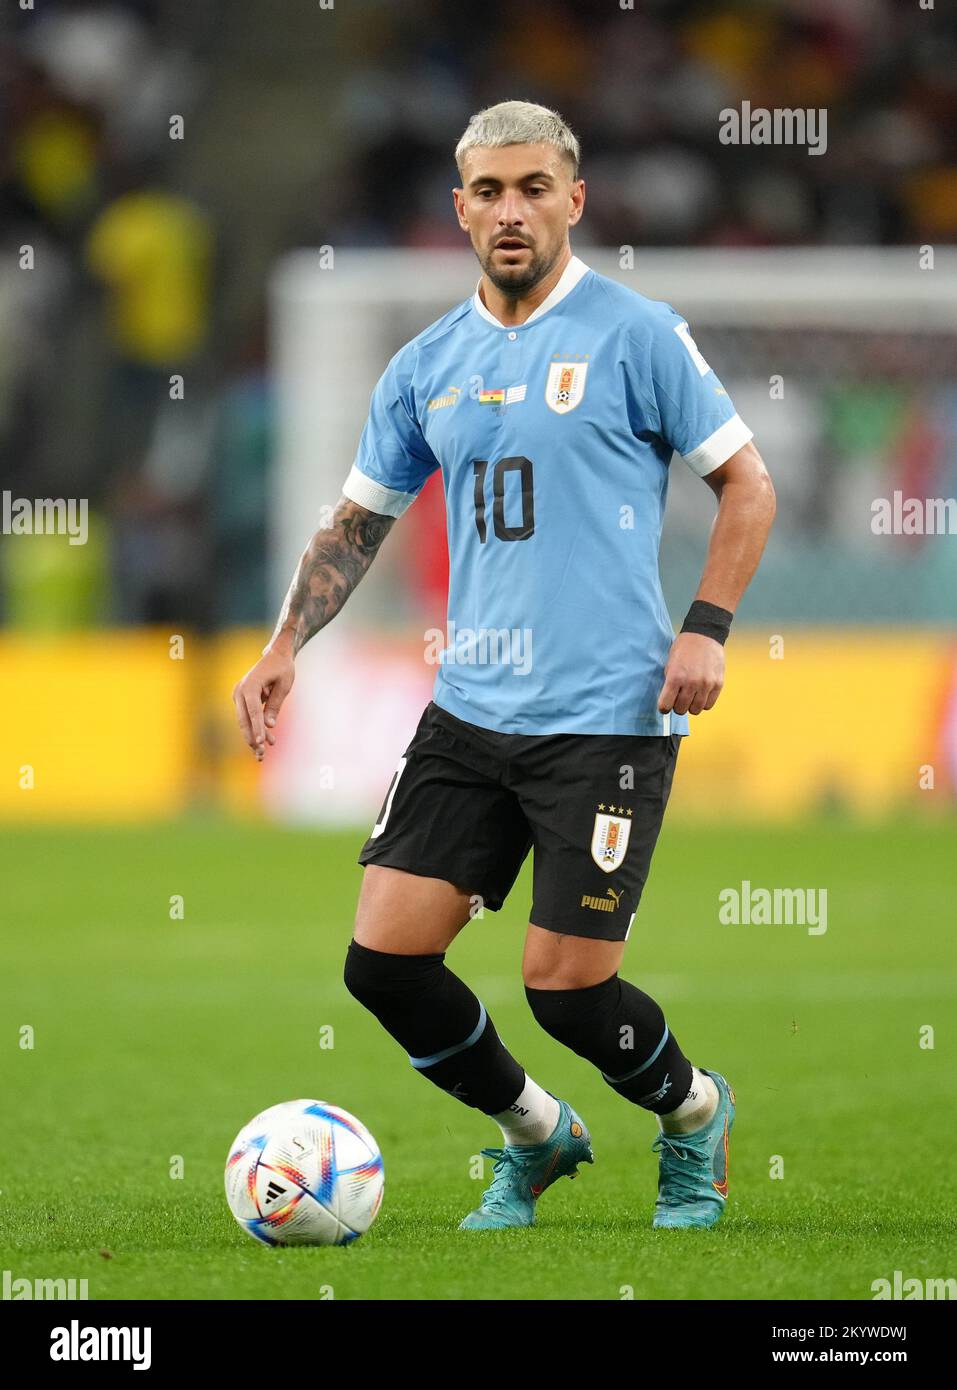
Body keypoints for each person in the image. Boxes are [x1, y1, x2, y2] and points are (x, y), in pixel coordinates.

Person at [233, 100, 776, 1232]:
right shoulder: (427, 362)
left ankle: (694, 1115)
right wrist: (286, 644)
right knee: (381, 964)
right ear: (459, 210)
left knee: (565, 988)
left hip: (607, 719)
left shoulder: (635, 334)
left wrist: (707, 625)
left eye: (535, 187)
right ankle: (536, 1131)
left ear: (576, 200)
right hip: (470, 712)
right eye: (489, 191)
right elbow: (354, 523)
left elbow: (747, 483)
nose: (512, 210)